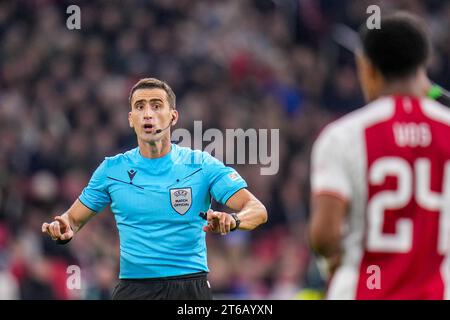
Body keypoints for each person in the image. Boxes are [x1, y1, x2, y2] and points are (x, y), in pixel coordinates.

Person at [41, 78, 268, 300]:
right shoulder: (111, 170)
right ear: (131, 119)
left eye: (156, 105)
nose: (147, 113)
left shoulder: (201, 165)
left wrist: (233, 221)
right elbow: (71, 221)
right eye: (140, 107)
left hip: (190, 287)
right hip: (135, 289)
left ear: (173, 116)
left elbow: (257, 210)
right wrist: (63, 230)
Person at [309, 12, 450, 299]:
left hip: (362, 290)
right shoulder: (446, 127)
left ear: (367, 69)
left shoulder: (343, 135)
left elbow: (324, 236)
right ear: (422, 65)